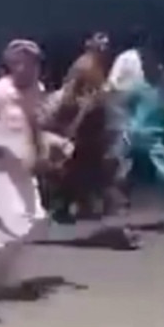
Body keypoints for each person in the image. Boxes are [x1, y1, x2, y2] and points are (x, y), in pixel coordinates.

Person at [0, 39, 51, 298]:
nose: (27, 69)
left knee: (37, 221)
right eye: (21, 63)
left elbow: (37, 124)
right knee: (12, 224)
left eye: (32, 64)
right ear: (11, 65)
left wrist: (44, 151)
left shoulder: (36, 91)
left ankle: (3, 278)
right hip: (2, 172)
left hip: (26, 172)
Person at [123, 47, 164, 231]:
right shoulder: (138, 87)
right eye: (143, 64)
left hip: (154, 138)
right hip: (142, 137)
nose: (145, 67)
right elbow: (124, 107)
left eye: (148, 63)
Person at [54, 32, 115, 218]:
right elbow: (73, 95)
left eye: (106, 44)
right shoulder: (85, 65)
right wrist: (74, 123)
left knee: (86, 165)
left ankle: (81, 204)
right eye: (100, 44)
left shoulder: (95, 65)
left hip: (92, 123)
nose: (104, 48)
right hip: (85, 123)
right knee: (80, 164)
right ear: (90, 44)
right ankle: (67, 205)